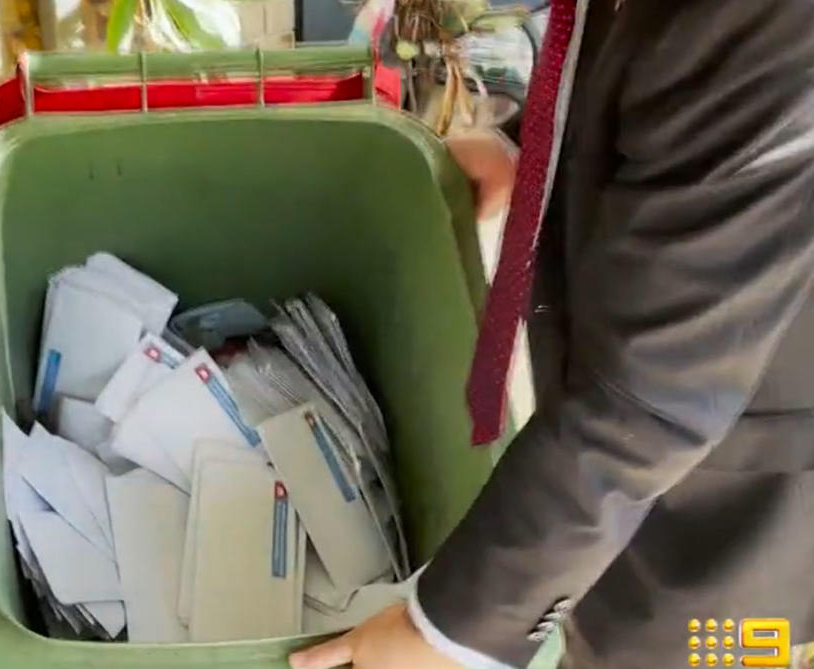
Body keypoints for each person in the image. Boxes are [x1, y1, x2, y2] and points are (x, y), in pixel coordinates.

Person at [290, 0, 814, 667]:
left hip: (725, 508)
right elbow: (661, 114)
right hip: (633, 464)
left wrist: (449, 630)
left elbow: (651, 402)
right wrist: (528, 156)